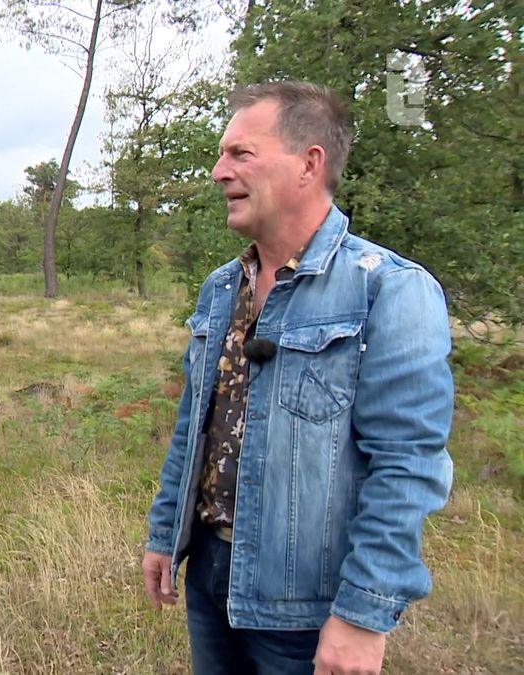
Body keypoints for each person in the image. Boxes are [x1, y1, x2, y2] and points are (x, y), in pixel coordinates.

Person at [142, 81, 454, 675]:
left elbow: (408, 466)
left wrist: (363, 615)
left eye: (241, 154)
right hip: (210, 578)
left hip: (305, 609)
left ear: (309, 164)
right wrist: (166, 535)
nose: (219, 172)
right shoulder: (220, 289)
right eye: (221, 155)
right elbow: (193, 428)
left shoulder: (388, 288)